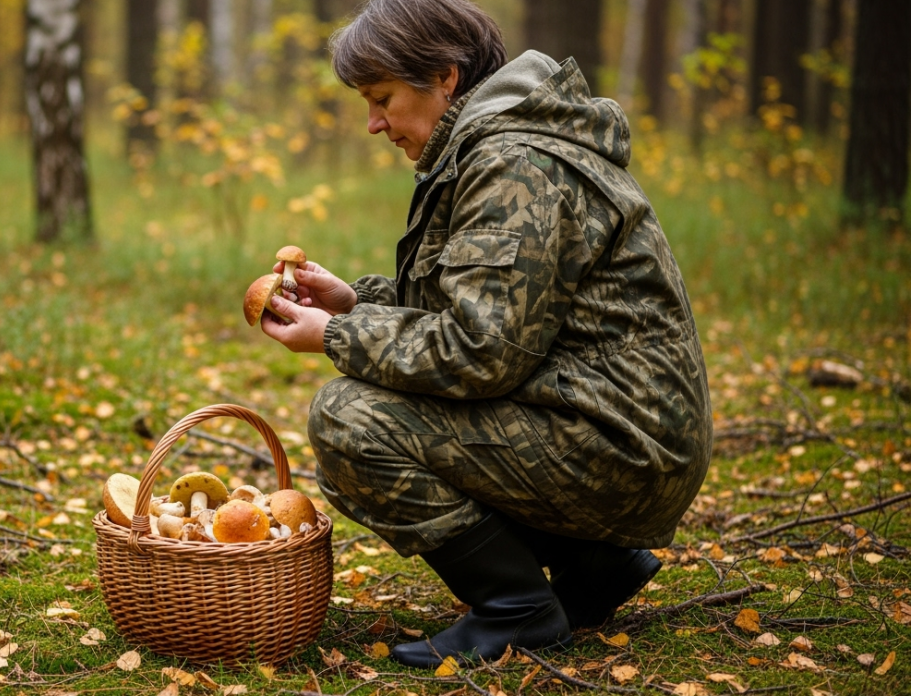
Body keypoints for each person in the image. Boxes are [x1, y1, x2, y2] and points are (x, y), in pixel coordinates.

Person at [259, 0, 712, 668]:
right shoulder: (493, 148)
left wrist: (338, 336)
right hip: (611, 425)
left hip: (623, 447)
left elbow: (480, 352)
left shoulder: (514, 163)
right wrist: (354, 302)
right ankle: (592, 565)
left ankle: (516, 609)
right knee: (379, 403)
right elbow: (484, 311)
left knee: (351, 421)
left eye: (382, 98)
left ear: (445, 76)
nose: (373, 123)